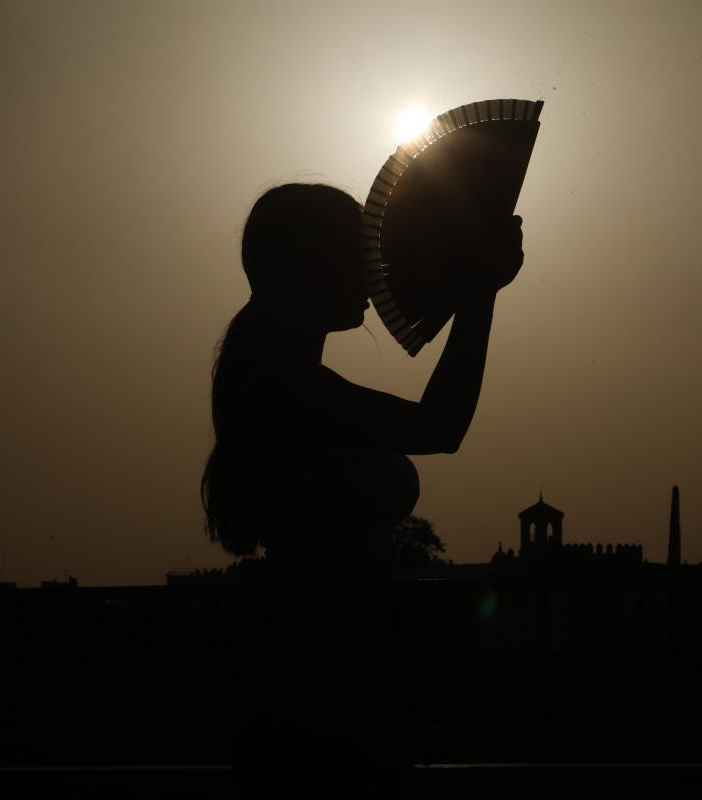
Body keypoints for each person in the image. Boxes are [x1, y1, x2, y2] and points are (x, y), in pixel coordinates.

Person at [203, 182, 522, 796]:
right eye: (356, 252)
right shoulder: (288, 388)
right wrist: (480, 290)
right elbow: (440, 425)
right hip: (326, 669)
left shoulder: (277, 381)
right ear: (303, 267)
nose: (373, 270)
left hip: (326, 655)